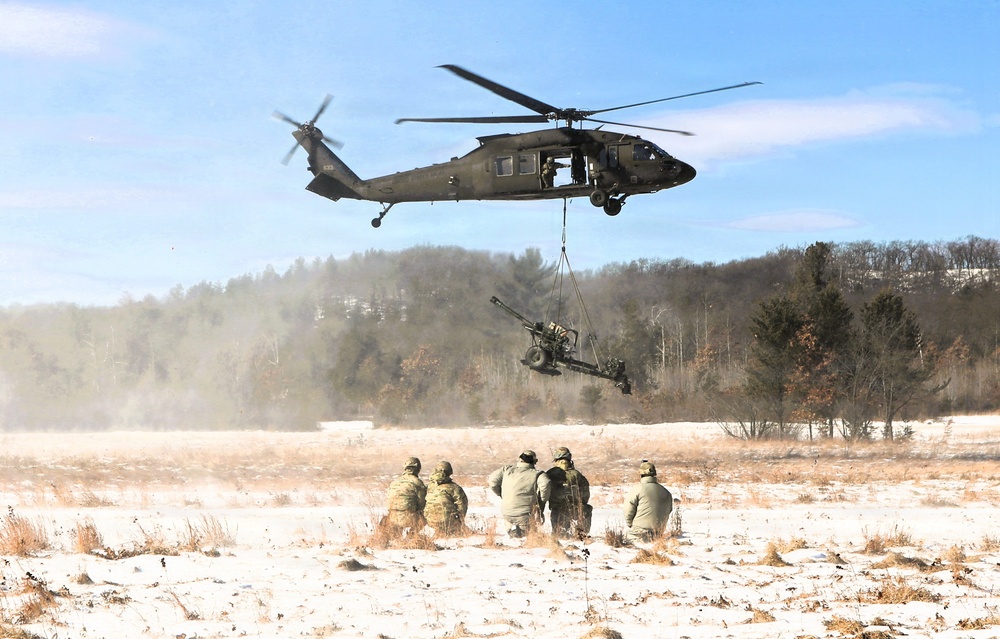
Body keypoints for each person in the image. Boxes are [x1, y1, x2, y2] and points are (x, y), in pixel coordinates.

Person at [488, 450, 552, 538]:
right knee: (527, 538)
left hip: (506, 512)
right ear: (534, 461)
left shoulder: (506, 470)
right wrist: (541, 502)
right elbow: (546, 484)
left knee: (513, 538)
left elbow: (492, 481)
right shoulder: (537, 474)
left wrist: (502, 494)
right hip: (525, 514)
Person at [546, 446, 592, 538]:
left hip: (557, 511)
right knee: (587, 508)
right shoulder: (577, 474)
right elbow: (585, 494)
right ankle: (581, 534)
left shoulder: (550, 473)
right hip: (575, 510)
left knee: (559, 534)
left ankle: (558, 532)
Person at [623, 460, 673, 543]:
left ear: (641, 474)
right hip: (658, 534)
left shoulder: (638, 489)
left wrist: (631, 525)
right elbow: (669, 510)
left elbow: (628, 510)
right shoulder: (666, 492)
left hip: (638, 534)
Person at [423, 461, 469, 535]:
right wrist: (460, 520)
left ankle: (440, 532)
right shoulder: (454, 487)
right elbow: (462, 505)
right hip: (449, 522)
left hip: (430, 521)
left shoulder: (429, 487)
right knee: (463, 531)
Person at [385, 456, 427, 533]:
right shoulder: (417, 482)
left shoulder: (395, 482)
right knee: (426, 517)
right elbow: (422, 504)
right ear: (418, 468)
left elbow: (388, 502)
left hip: (392, 518)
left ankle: (396, 538)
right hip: (409, 518)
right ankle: (411, 537)